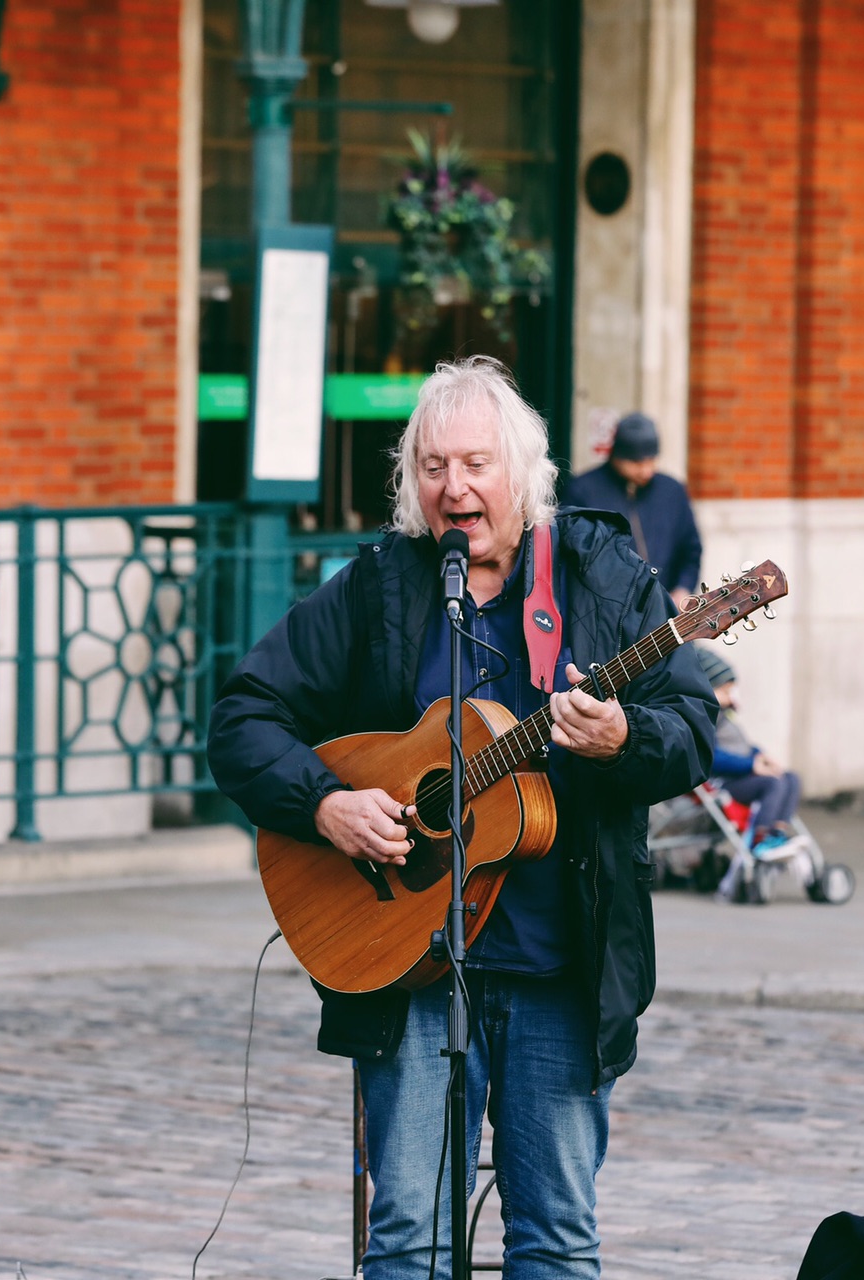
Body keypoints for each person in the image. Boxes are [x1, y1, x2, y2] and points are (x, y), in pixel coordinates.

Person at [207, 356, 717, 1279]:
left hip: (562, 961)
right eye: (434, 467)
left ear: (522, 471)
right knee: (408, 1242)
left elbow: (689, 733)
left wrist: (619, 738)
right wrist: (325, 804)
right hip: (409, 965)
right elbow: (243, 717)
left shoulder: (602, 581)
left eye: (476, 464)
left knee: (557, 1242)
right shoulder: (379, 589)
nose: (455, 488)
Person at [563, 412, 705, 609]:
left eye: (651, 460)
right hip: (605, 618)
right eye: (637, 463)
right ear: (616, 456)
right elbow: (571, 561)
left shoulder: (672, 491)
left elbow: (690, 549)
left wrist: (683, 588)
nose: (646, 470)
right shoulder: (582, 491)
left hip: (666, 612)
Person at [696, 647, 801, 845]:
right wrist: (751, 765)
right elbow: (711, 756)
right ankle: (762, 837)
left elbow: (740, 745)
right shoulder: (705, 721)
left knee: (791, 778)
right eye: (724, 691)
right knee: (773, 783)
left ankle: (777, 831)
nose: (730, 698)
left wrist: (759, 755)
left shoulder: (724, 717)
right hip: (725, 782)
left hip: (742, 773)